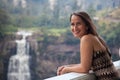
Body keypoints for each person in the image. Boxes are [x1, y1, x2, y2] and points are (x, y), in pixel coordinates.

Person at [57, 11, 120, 80]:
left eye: (78, 24)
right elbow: (87, 64)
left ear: (86, 25)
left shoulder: (86, 39)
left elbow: (84, 68)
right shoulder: (94, 37)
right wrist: (67, 67)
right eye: (72, 24)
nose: (75, 28)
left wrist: (66, 69)